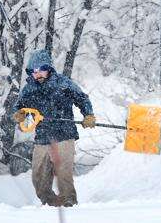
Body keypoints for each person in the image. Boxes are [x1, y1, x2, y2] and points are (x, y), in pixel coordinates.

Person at [13, 49, 96, 207]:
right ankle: (50, 204)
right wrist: (19, 114)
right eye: (33, 71)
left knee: (64, 173)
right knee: (38, 177)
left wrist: (88, 115)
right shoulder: (29, 89)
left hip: (64, 134)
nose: (37, 74)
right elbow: (19, 107)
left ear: (48, 68)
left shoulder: (63, 84)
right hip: (42, 137)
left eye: (40, 70)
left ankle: (68, 203)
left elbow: (82, 99)